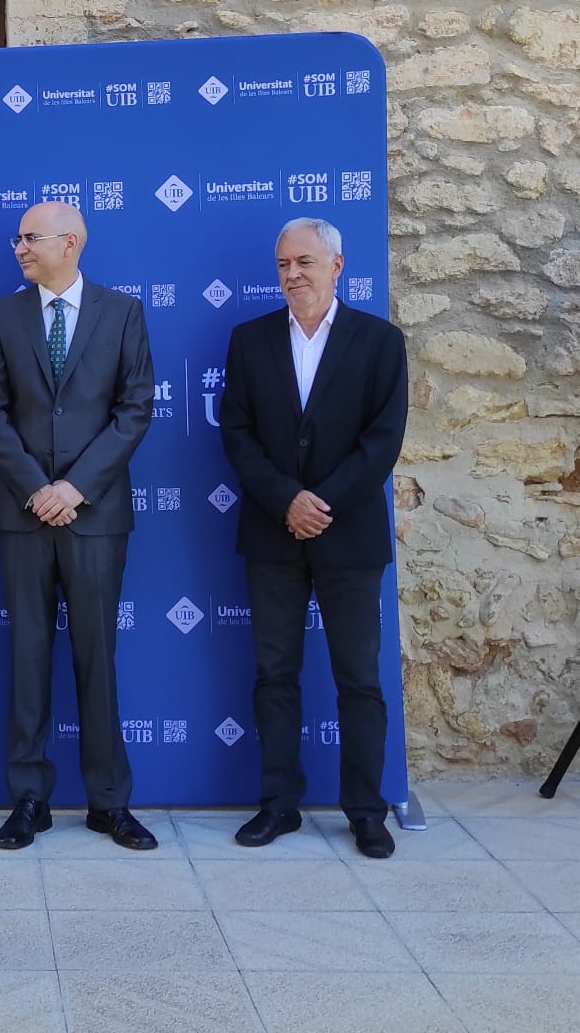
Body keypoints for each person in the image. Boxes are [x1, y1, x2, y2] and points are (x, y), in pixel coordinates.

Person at [220, 216, 408, 859]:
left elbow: (382, 442)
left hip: (348, 535)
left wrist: (320, 502)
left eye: (304, 262)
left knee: (358, 679)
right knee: (275, 674)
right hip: (273, 535)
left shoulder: (381, 342)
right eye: (282, 264)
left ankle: (365, 811)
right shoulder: (248, 341)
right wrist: (286, 501)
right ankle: (279, 804)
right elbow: (236, 434)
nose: (291, 274)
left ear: (337, 266)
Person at [0, 200, 157, 853]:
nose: (19, 248)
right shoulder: (2, 316)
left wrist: (76, 488)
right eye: (17, 238)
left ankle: (110, 802)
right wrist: (36, 490)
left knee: (96, 658)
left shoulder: (123, 313)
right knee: (26, 657)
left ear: (71, 242)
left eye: (31, 237)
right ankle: (29, 797)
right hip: (22, 518)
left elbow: (136, 409)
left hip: (96, 516)